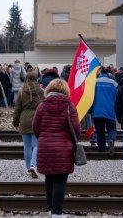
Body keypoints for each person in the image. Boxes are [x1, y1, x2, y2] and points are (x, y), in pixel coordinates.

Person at [33, 79, 80, 218]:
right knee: (60, 181)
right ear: (65, 90)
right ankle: (57, 213)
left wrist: (43, 138)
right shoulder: (69, 106)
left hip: (45, 146)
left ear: (49, 89)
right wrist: (72, 142)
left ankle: (50, 210)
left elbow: (35, 127)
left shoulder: (42, 106)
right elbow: (76, 129)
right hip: (63, 148)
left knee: (49, 179)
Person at [13, 72, 44, 178]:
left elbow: (17, 109)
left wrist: (15, 123)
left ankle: (28, 169)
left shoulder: (21, 91)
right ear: (36, 79)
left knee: (27, 146)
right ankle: (33, 165)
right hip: (37, 119)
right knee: (36, 145)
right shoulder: (41, 91)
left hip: (24, 120)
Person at [91, 67, 118, 155]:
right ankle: (111, 139)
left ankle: (102, 151)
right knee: (112, 129)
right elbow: (118, 97)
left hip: (97, 111)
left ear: (100, 73)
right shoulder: (114, 83)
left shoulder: (94, 82)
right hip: (110, 110)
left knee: (100, 132)